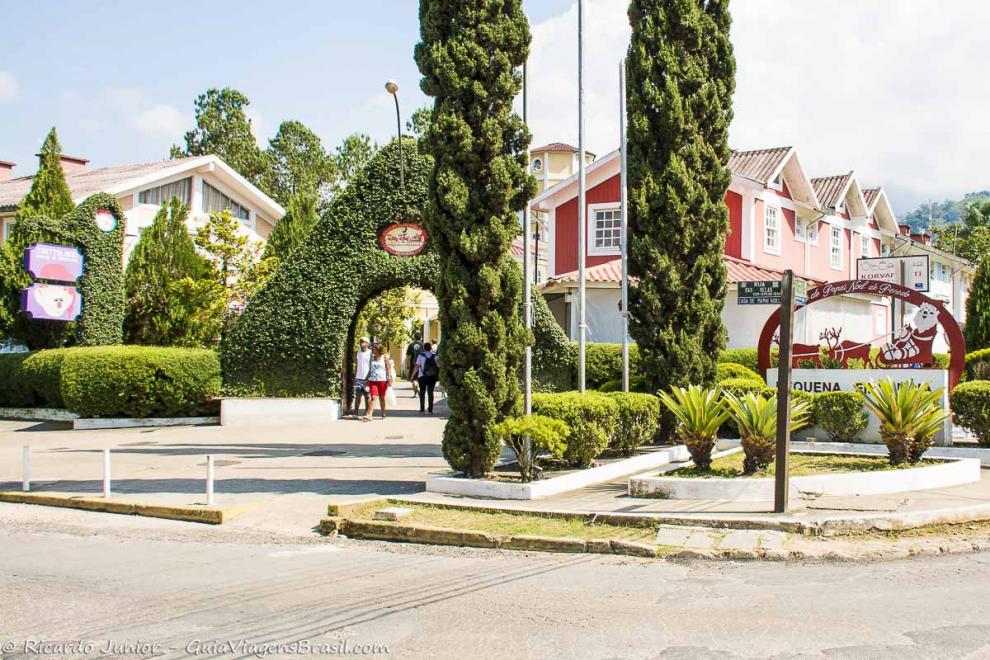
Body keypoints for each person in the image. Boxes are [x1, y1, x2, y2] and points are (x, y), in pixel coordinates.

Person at [364, 342, 393, 421]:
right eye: (372, 349)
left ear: (378, 350)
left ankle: (383, 413)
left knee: (382, 398)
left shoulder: (384, 357)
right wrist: (366, 379)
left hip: (382, 380)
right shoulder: (372, 358)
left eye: (374, 349)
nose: (372, 350)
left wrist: (389, 378)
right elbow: (370, 370)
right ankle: (369, 415)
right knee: (373, 397)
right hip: (373, 380)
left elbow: (388, 368)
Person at [412, 342, 439, 415]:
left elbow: (417, 366)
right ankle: (430, 410)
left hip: (422, 376)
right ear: (431, 348)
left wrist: (413, 375)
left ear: (424, 348)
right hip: (432, 376)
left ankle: (422, 409)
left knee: (422, 392)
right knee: (430, 392)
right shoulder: (435, 356)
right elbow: (439, 366)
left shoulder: (420, 356)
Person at [352, 337, 372, 418]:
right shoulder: (358, 353)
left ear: (367, 343)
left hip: (367, 378)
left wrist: (369, 377)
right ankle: (355, 413)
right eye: (360, 342)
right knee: (358, 396)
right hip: (358, 378)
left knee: (367, 396)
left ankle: (367, 413)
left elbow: (371, 366)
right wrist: (355, 375)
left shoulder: (370, 353)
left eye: (363, 342)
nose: (361, 343)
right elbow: (357, 364)